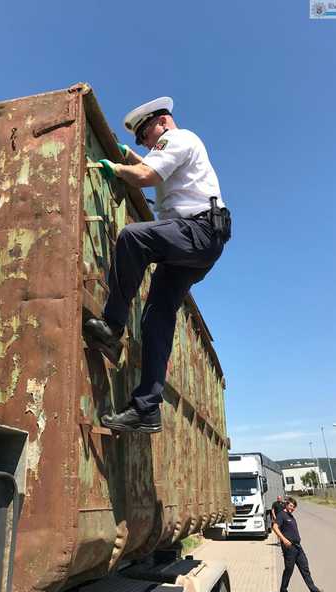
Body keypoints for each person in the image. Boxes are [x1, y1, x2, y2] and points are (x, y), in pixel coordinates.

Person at [84, 96, 230, 434]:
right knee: (156, 319)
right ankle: (146, 409)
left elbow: (147, 175)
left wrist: (118, 169)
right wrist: (126, 156)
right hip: (195, 245)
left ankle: (112, 326)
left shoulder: (180, 138)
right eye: (140, 142)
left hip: (199, 231)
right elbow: (152, 168)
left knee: (133, 238)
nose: (146, 143)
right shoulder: (173, 150)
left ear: (162, 122)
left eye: (146, 135)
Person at [273, 497, 329, 592]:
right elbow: (275, 527)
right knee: (289, 570)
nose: (292, 508)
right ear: (286, 504)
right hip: (289, 548)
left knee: (305, 568)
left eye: (294, 507)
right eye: (291, 506)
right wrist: (284, 540)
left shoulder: (291, 516)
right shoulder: (282, 515)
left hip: (298, 547)